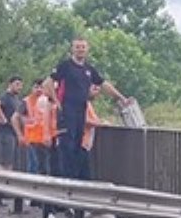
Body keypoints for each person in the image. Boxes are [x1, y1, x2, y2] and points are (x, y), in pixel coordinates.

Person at [51, 38, 129, 180]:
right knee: (66, 145)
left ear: (87, 50)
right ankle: (65, 180)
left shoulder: (88, 69)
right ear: (72, 49)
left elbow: (104, 84)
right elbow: (47, 83)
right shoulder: (65, 66)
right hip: (67, 110)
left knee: (76, 145)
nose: (80, 49)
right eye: (77, 47)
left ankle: (74, 180)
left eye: (83, 47)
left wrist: (121, 98)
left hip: (81, 109)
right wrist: (56, 101)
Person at [0, 76, 24, 171]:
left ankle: (7, 182)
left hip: (13, 133)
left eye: (21, 85)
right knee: (4, 161)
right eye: (17, 84)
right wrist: (2, 118)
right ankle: (0, 182)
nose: (19, 87)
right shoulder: (5, 96)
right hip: (5, 132)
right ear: (10, 84)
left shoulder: (16, 99)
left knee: (10, 161)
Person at [23, 76, 55, 176]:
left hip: (43, 136)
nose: (39, 90)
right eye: (37, 87)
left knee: (41, 165)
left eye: (41, 87)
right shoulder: (29, 101)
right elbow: (17, 117)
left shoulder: (44, 100)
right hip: (35, 137)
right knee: (37, 165)